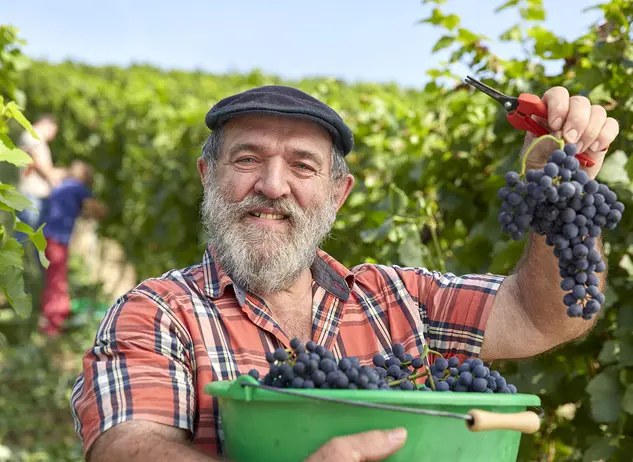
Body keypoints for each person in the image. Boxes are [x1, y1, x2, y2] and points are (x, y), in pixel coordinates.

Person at [70, 85, 619, 462]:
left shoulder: (397, 298)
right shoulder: (157, 311)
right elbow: (129, 446)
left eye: (303, 166)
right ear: (207, 176)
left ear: (338, 195)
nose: (273, 185)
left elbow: (546, 315)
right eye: (246, 160)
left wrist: (561, 190)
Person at [39, 160, 108, 336]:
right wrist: (109, 211)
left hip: (46, 237)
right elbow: (95, 209)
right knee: (58, 281)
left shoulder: (63, 186)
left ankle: (50, 320)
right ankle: (54, 324)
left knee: (52, 278)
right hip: (57, 239)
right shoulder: (78, 188)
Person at [16, 115, 66, 230]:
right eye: (54, 130)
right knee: (22, 234)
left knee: (35, 236)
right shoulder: (32, 136)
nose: (53, 135)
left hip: (37, 195)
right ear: (46, 124)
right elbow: (37, 162)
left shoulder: (38, 139)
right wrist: (53, 177)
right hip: (31, 194)